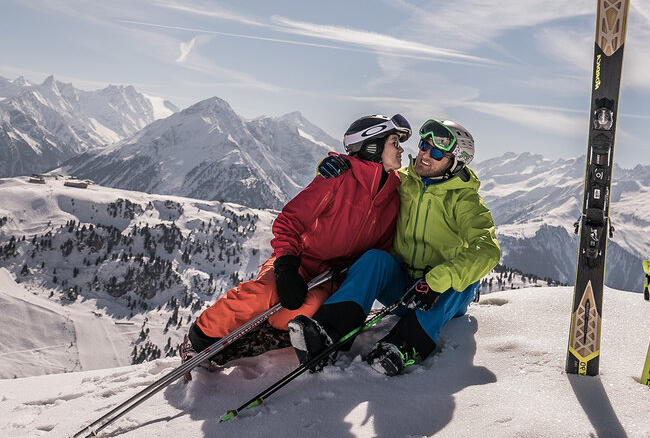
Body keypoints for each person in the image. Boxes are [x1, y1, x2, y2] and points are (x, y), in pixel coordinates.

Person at [179, 113, 412, 377]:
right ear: (373, 146)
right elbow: (289, 220)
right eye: (395, 142)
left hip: (330, 278)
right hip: (300, 262)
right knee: (263, 294)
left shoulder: (392, 196)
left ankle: (265, 330)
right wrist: (287, 266)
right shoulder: (337, 178)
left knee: (303, 310)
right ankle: (197, 339)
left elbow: (381, 248)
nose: (401, 149)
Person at [289, 118, 499, 376]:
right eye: (424, 145)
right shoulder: (404, 180)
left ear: (454, 163)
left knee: (465, 282)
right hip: (402, 291)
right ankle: (328, 334)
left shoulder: (465, 200)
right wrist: (337, 166)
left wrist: (436, 281)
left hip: (439, 295)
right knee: (375, 259)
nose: (424, 155)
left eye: (436, 152)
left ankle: (405, 345)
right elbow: (367, 174)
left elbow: (487, 249)